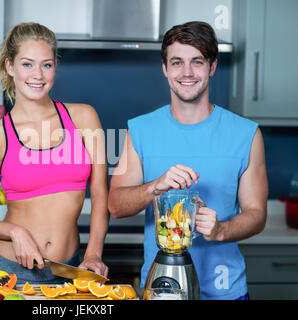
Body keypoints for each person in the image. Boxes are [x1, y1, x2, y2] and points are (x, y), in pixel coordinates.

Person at [108, 21, 268, 300]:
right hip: (162, 290)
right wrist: (155, 187)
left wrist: (221, 230)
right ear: (164, 68)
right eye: (177, 62)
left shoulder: (247, 135)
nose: (187, 72)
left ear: (212, 67)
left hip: (225, 292)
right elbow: (116, 206)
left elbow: (257, 214)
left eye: (197, 62)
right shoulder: (139, 131)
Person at [0, 22, 109, 284]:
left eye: (47, 64)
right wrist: (15, 231)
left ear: (55, 67)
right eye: (27, 64)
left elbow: (100, 194)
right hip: (10, 271)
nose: (38, 74)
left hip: (71, 270)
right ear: (10, 66)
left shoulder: (84, 117)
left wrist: (94, 254)